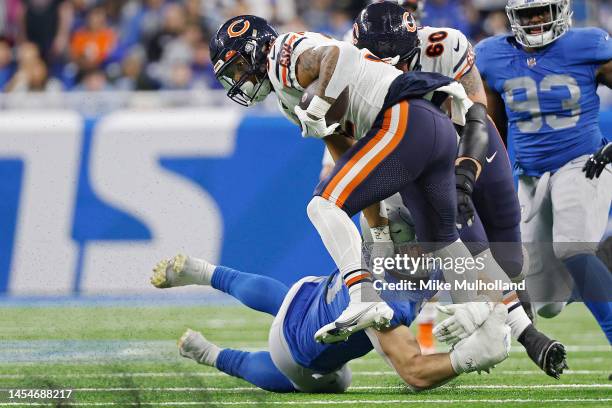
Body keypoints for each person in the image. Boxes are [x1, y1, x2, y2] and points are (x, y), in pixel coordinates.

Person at [209, 14, 493, 344]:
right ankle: (475, 306)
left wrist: (318, 106)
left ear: (257, 49)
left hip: (403, 116)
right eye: (231, 75)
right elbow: (346, 154)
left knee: (322, 205)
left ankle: (361, 297)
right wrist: (379, 229)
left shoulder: (284, 54)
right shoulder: (287, 96)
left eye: (239, 67)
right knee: (440, 233)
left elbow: (340, 54)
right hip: (434, 125)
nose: (239, 79)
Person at [349, 0, 567, 379]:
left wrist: (466, 171)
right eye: (378, 61)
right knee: (475, 254)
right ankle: (521, 330)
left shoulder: (444, 46)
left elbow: (477, 113)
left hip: (473, 142)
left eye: (398, 60)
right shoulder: (350, 75)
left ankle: (517, 306)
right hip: (423, 162)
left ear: (413, 43)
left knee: (511, 259)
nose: (392, 71)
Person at [150, 246, 511, 393]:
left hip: (308, 293)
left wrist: (473, 309)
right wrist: (466, 357)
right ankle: (211, 355)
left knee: (286, 299)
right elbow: (414, 373)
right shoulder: (387, 307)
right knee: (338, 382)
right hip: (296, 350)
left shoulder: (384, 244)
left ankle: (208, 272)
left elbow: (441, 289)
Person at [475, 0, 612, 343]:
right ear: (512, 17)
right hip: (531, 175)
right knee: (547, 301)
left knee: (572, 248)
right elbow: (493, 124)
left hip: (584, 162)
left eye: (542, 10)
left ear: (561, 9)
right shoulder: (491, 55)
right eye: (526, 13)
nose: (535, 19)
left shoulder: (587, 44)